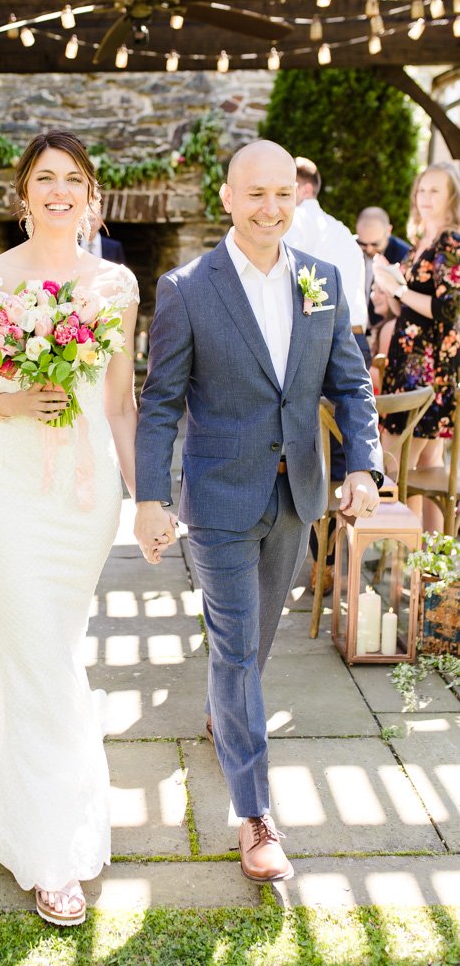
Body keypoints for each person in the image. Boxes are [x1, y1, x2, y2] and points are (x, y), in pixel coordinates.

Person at [0, 130, 143, 926]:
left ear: (90, 193)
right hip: (10, 487)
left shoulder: (114, 283)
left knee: (50, 648)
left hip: (83, 494)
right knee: (36, 648)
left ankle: (33, 798)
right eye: (44, 179)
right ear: (22, 195)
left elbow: (117, 403)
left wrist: (144, 497)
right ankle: (51, 853)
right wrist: (9, 400)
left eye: (72, 179)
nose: (58, 191)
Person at [134, 140, 382, 885]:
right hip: (217, 497)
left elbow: (350, 382)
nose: (271, 207)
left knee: (252, 644)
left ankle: (223, 712)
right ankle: (254, 814)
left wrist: (362, 464)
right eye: (255, 194)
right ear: (227, 198)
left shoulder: (323, 278)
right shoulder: (185, 288)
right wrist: (148, 497)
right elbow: (160, 405)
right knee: (239, 648)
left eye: (282, 193)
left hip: (296, 494)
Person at [285, 157, 370, 593]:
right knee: (343, 461)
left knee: (308, 453)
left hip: (311, 342)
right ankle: (338, 563)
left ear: (298, 188)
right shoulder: (342, 232)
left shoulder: (291, 226)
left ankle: (313, 557)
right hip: (354, 340)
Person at [374, 161, 460, 532]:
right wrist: (389, 285)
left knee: (394, 465)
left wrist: (398, 289)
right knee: (423, 468)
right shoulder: (420, 242)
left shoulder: (451, 240)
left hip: (428, 373)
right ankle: (425, 573)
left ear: (452, 198)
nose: (424, 198)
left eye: (434, 191)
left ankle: (412, 566)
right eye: (422, 190)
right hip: (406, 366)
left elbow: (448, 308)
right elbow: (406, 307)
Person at [284, 157, 369, 365]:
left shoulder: (297, 218)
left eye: (286, 190)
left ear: (305, 189)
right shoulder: (343, 232)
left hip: (323, 340)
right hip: (356, 339)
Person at [355, 206, 410, 325]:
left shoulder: (404, 255)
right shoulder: (350, 248)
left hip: (384, 326)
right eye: (363, 243)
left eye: (375, 243)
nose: (369, 249)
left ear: (388, 231)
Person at [368, 282, 397, 395]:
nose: (374, 296)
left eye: (381, 291)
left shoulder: (390, 327)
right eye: (373, 290)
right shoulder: (385, 325)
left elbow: (383, 373)